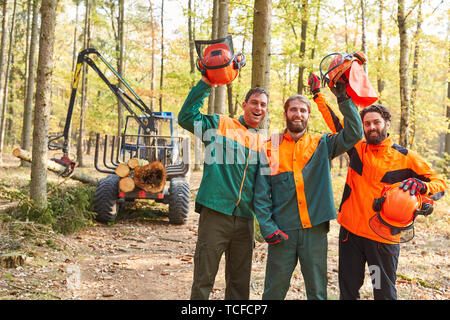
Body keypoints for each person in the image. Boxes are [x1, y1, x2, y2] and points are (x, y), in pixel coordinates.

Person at [309, 73, 447, 300]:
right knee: (348, 291)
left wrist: (422, 188)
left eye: (376, 122)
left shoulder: (405, 157)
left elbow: (439, 184)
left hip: (382, 240)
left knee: (382, 292)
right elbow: (335, 121)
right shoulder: (357, 146)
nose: (371, 127)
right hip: (351, 236)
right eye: (367, 124)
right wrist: (318, 96)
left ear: (387, 124)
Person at [253, 80, 363, 300]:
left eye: (303, 110)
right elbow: (261, 194)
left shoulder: (322, 143)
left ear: (308, 116)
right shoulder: (269, 146)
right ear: (285, 114)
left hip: (315, 230)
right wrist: (267, 227)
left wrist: (343, 99)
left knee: (317, 291)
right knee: (273, 291)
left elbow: (354, 134)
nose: (298, 114)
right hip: (282, 231)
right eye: (293, 109)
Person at [178, 76, 268, 300]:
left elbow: (270, 186)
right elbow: (187, 117)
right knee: (204, 278)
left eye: (263, 105)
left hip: (246, 219)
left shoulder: (265, 143)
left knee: (239, 283)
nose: (259, 107)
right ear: (244, 105)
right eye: (254, 102)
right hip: (215, 214)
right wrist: (206, 83)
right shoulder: (220, 125)